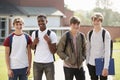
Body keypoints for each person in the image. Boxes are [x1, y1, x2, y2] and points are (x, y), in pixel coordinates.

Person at [31, 14, 57, 80]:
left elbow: (54, 51)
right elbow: (32, 48)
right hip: (37, 63)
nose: (40, 23)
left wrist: (49, 42)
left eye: (42, 21)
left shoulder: (52, 34)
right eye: (39, 21)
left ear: (46, 21)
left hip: (49, 63)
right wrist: (34, 43)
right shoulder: (34, 33)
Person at [86, 12, 111, 80]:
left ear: (101, 21)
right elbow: (88, 49)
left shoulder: (105, 33)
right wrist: (87, 62)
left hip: (102, 63)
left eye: (98, 20)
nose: (96, 22)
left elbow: (107, 51)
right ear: (92, 21)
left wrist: (106, 67)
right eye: (94, 20)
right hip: (91, 64)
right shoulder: (89, 33)